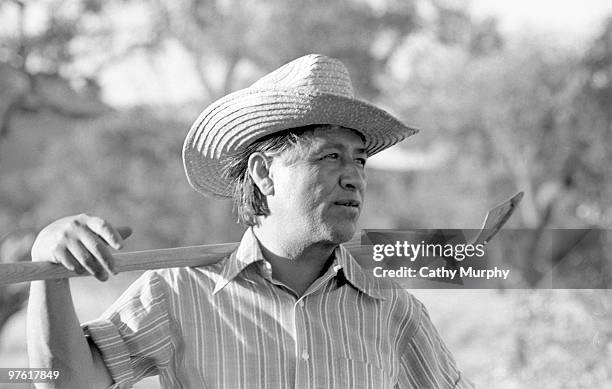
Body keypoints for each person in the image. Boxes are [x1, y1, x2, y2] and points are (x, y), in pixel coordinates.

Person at [27, 54, 473, 388]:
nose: (354, 177)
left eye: (360, 160)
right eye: (331, 156)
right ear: (263, 173)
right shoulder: (180, 292)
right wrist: (48, 263)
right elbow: (60, 382)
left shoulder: (391, 309)